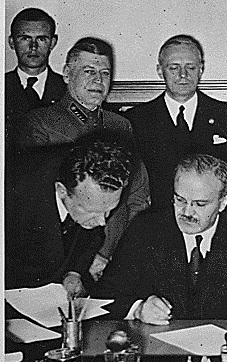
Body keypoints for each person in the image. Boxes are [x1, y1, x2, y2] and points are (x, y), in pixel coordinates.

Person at [96, 154, 227, 343]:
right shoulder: (145, 229)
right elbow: (106, 294)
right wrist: (138, 309)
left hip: (220, 348)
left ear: (223, 202)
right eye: (180, 200)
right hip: (158, 348)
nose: (187, 212)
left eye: (200, 204)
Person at [16, 37, 151, 281]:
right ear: (67, 74)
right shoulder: (40, 123)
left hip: (110, 257)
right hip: (55, 263)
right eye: (89, 71)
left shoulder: (120, 126)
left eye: (105, 73)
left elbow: (137, 198)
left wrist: (105, 252)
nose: (98, 81)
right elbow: (37, 205)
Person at [124, 34, 227, 210]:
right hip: (155, 222)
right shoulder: (136, 120)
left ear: (201, 69)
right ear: (160, 71)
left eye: (191, 67)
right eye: (174, 68)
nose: (183, 75)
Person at [5, 134, 133, 298]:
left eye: (108, 211)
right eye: (92, 211)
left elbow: (89, 234)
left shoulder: (107, 184)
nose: (102, 221)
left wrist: (75, 271)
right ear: (61, 191)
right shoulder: (13, 195)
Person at [5, 8, 65, 131]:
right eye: (25, 38)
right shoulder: (3, 86)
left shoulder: (67, 89)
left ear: (52, 43)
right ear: (12, 42)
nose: (33, 47)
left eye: (41, 39)